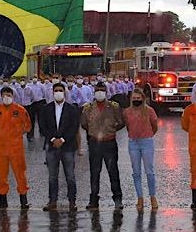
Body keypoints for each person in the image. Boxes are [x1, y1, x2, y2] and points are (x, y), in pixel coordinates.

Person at [80, 82, 126, 210]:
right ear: (94, 92)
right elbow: (84, 124)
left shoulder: (114, 107)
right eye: (97, 90)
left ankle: (117, 198)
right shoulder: (88, 108)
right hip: (95, 143)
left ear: (106, 92)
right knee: (95, 172)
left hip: (109, 142)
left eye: (102, 90)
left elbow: (121, 122)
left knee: (113, 171)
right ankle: (93, 200)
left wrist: (110, 130)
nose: (100, 92)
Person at [39, 82, 81, 211]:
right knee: (52, 176)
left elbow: (74, 127)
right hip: (51, 146)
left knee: (70, 175)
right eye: (56, 90)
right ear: (52, 92)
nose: (58, 92)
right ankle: (52, 201)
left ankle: (72, 201)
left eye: (60, 90)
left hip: (67, 146)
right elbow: (43, 126)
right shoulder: (46, 108)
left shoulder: (72, 109)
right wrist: (52, 139)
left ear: (64, 92)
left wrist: (62, 139)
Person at [0, 85, 32, 210]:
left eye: (9, 95)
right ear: (0, 96)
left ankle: (23, 200)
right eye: (4, 95)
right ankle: (2, 199)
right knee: (2, 174)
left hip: (16, 148)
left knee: (20, 173)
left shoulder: (20, 110)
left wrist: (17, 133)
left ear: (13, 96)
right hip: (1, 148)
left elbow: (28, 126)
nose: (6, 97)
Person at [123, 88, 159, 211]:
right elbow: (128, 126)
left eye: (138, 98)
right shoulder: (127, 112)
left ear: (143, 98)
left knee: (149, 171)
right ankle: (140, 198)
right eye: (134, 98)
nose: (136, 100)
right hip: (133, 142)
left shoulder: (149, 111)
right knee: (136, 172)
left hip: (146, 142)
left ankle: (153, 196)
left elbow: (155, 126)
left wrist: (148, 135)